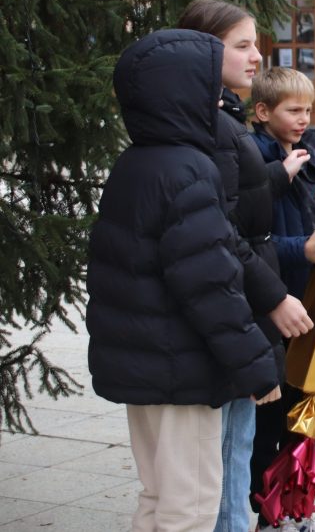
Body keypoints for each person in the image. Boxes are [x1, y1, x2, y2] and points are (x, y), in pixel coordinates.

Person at [87, 28, 281, 532]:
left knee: (158, 498)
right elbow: (209, 284)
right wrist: (257, 367)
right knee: (190, 507)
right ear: (181, 93)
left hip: (147, 369)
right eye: (207, 85)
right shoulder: (187, 169)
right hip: (181, 373)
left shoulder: (136, 163)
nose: (217, 98)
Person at [178, 0, 314, 531]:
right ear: (205, 51)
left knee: (233, 455)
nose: (256, 56)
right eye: (243, 45)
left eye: (256, 43)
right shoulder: (210, 126)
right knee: (229, 461)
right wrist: (274, 297)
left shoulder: (222, 117)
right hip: (236, 306)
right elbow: (224, 232)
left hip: (243, 302)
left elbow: (236, 205)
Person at [250, 66, 315, 532]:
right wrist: (300, 247)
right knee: (269, 416)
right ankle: (266, 511)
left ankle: (298, 505)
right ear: (263, 112)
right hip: (273, 305)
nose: (303, 118)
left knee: (304, 410)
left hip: (313, 298)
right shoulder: (253, 158)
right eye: (293, 110)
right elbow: (253, 237)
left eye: (307, 109)